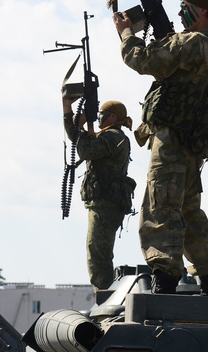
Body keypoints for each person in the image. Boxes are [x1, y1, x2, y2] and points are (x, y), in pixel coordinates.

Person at [112, 0, 208, 295]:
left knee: (160, 206)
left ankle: (164, 280)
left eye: (186, 6)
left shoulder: (192, 43)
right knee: (189, 212)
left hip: (172, 143)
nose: (181, 14)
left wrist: (126, 33)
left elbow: (144, 60)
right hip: (193, 147)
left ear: (203, 10)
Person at [63, 97, 135, 290]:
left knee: (98, 254)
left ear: (113, 117)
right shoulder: (108, 136)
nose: (99, 116)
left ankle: (103, 295)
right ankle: (103, 294)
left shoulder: (114, 137)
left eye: (102, 113)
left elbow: (85, 151)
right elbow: (77, 139)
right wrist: (68, 110)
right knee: (97, 251)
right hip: (103, 204)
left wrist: (82, 125)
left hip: (106, 205)